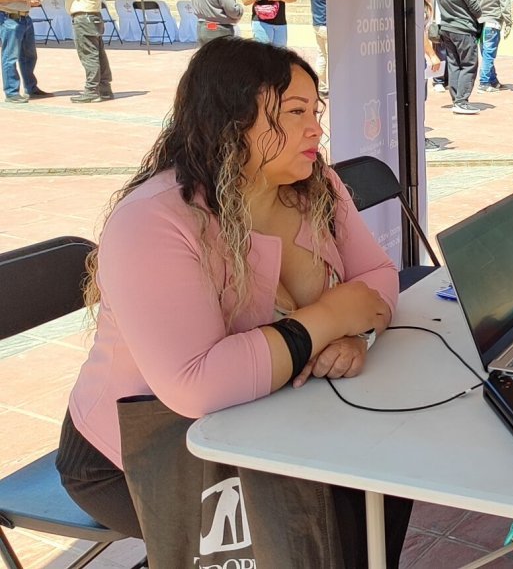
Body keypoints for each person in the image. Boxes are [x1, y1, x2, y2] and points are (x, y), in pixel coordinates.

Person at [56, 38, 412, 563]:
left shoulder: (316, 184)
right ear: (231, 121)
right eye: (294, 113)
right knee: (328, 511)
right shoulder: (154, 220)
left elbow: (377, 276)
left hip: (266, 416)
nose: (316, 129)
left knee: (388, 473)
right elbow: (196, 385)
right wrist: (330, 318)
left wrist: (356, 335)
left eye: (315, 112)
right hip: (141, 451)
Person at [51, 0, 113, 104]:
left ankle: (92, 90)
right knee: (97, 54)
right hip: (91, 17)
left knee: (89, 55)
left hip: (84, 18)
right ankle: (104, 89)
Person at [435, 0, 484, 115]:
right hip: (463, 29)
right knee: (469, 64)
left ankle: (457, 99)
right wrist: (478, 15)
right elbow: (474, 5)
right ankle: (462, 101)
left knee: (454, 63)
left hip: (447, 28)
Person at [0, 0, 46, 104]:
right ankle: (12, 92)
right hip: (9, 18)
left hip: (24, 18)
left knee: (29, 56)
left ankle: (30, 87)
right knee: (10, 57)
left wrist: (30, 1)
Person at [471, 0, 513, 92]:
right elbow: (504, 2)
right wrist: (508, 22)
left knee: (485, 52)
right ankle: (484, 82)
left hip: (477, 22)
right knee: (489, 53)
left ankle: (493, 80)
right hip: (492, 22)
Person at [423, 0, 449, 92]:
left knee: (447, 50)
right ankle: (438, 79)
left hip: (446, 19)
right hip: (437, 19)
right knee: (439, 50)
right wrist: (431, 20)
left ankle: (446, 79)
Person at [308, 0, 329, 95]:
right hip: (327, 23)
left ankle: (322, 87)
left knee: (322, 55)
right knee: (335, 56)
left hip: (317, 22)